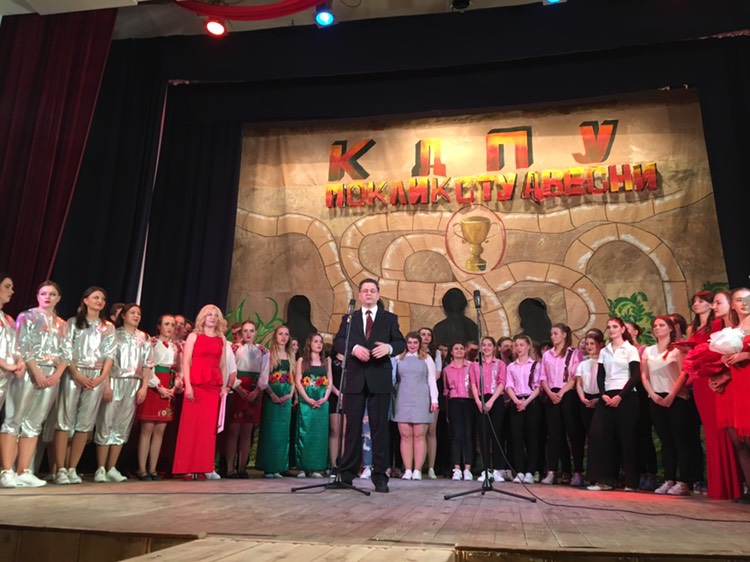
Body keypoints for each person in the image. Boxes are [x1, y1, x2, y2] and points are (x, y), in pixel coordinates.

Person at [333, 278, 405, 493]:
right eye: (364, 291)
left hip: (379, 378)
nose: (368, 294)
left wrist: (389, 349)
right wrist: (354, 348)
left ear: (378, 294)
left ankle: (380, 476)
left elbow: (400, 342)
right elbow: (338, 341)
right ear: (359, 295)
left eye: (372, 290)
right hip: (355, 378)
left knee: (379, 428)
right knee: (352, 428)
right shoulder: (350, 318)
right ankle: (346, 474)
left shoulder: (389, 318)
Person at [1, 281, 68, 488]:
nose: (48, 297)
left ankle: (24, 470)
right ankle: (6, 470)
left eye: (52, 294)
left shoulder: (62, 324)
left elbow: (67, 352)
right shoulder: (26, 316)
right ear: (38, 296)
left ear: (58, 298)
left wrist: (57, 374)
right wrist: (36, 371)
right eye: (43, 293)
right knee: (14, 419)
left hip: (51, 375)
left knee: (34, 423)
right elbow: (22, 344)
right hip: (28, 372)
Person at [53, 286, 116, 485]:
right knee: (64, 421)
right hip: (74, 373)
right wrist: (76, 374)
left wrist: (101, 377)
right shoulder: (73, 323)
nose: (100, 301)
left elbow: (110, 355)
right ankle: (60, 469)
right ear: (86, 300)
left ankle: (72, 468)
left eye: (102, 298)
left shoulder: (108, 327)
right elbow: (66, 350)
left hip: (96, 376)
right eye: (95, 297)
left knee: (84, 424)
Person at [93, 303, 151, 483]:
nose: (136, 316)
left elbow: (147, 364)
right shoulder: (113, 334)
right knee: (106, 423)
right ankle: (100, 468)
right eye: (132, 312)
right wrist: (106, 385)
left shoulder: (144, 337)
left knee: (122, 426)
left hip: (133, 384)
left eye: (138, 313)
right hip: (115, 380)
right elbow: (106, 361)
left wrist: (144, 387)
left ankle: (112, 467)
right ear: (123, 315)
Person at [641, 315, 696, 496]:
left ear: (671, 328)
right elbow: (644, 375)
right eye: (655, 325)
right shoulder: (649, 351)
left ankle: (684, 481)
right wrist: (652, 394)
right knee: (666, 441)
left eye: (662, 325)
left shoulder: (677, 349)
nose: (657, 328)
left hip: (676, 397)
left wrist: (672, 394)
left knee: (681, 440)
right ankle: (669, 479)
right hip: (656, 397)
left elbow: (684, 373)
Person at [172, 305, 227, 480]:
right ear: (203, 317)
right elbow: (186, 362)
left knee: (207, 429)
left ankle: (203, 467)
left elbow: (223, 364)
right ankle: (187, 467)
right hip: (196, 384)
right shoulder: (194, 336)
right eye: (209, 315)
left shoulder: (221, 338)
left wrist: (224, 387)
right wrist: (188, 385)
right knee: (191, 427)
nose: (212, 317)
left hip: (213, 387)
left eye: (215, 315)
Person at [587, 318, 641, 491]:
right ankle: (605, 479)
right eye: (609, 327)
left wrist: (620, 396)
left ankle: (631, 482)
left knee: (627, 438)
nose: (611, 330)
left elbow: (635, 376)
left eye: (615, 326)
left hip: (626, 395)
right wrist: (603, 394)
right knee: (599, 435)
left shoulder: (630, 349)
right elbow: (600, 376)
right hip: (607, 396)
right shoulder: (605, 351)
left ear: (623, 329)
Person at [136, 314, 181, 481]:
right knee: (147, 429)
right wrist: (158, 386)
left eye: (172, 325)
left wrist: (174, 386)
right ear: (159, 326)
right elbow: (148, 366)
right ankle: (142, 469)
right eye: (166, 324)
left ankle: (153, 469)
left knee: (160, 430)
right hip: (153, 386)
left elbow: (179, 369)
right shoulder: (152, 342)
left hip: (168, 386)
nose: (170, 328)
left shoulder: (176, 347)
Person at [392, 332, 438, 480]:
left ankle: (417, 469)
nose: (412, 345)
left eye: (415, 342)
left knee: (419, 435)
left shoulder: (427, 358)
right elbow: (393, 379)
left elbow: (432, 380)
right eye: (410, 342)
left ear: (419, 344)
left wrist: (434, 399)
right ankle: (408, 469)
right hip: (403, 397)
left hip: (421, 398)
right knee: (405, 435)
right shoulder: (398, 358)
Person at [719, 288, 750, 503]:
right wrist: (724, 364)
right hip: (734, 385)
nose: (745, 303)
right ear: (733, 304)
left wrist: (746, 354)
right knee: (739, 442)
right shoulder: (732, 330)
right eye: (740, 300)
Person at [225, 321, 266, 478]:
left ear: (256, 332)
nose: (248, 334)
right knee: (233, 430)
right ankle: (229, 468)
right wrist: (238, 388)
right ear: (241, 333)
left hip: (253, 389)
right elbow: (229, 370)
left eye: (251, 331)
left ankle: (242, 468)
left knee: (247, 431)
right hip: (238, 388)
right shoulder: (233, 349)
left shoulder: (262, 351)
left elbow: (264, 373)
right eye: (245, 331)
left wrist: (257, 390)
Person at [256, 325, 295, 478]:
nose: (283, 337)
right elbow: (263, 378)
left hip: (285, 399)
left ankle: (279, 466)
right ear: (275, 336)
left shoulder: (290, 355)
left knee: (282, 433)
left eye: (286, 334)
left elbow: (293, 377)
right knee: (270, 432)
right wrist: (272, 394)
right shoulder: (269, 354)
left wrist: (290, 394)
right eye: (280, 334)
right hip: (271, 397)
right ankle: (268, 467)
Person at [505, 334, 542, 484]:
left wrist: (526, 402)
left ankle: (530, 471)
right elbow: (509, 385)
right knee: (516, 438)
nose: (518, 348)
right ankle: (519, 470)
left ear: (528, 346)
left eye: (521, 345)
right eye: (516, 345)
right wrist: (516, 401)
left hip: (531, 402)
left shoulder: (536, 365)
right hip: (516, 402)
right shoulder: (511, 366)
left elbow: (538, 386)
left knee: (532, 438)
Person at [294, 333, 332, 478]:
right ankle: (303, 467)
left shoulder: (326, 361)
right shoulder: (302, 360)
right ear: (309, 344)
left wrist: (325, 398)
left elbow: (330, 382)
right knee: (305, 433)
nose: (319, 344)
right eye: (316, 341)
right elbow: (298, 381)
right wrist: (307, 399)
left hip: (321, 403)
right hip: (307, 404)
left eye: (321, 342)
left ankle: (317, 467)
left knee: (319, 435)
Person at [470, 336, 507, 483]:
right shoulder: (475, 365)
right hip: (480, 400)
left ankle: (497, 469)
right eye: (484, 345)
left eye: (489, 345)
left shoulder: (500, 364)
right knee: (483, 435)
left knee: (496, 435)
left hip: (495, 399)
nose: (486, 348)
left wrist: (491, 401)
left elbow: (502, 383)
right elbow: (473, 383)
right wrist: (478, 401)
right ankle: (485, 469)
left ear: (494, 347)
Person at [575, 329, 604, 484]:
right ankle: (591, 475)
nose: (589, 346)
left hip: (600, 400)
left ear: (600, 344)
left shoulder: (604, 362)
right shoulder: (583, 364)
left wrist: (599, 399)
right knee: (590, 437)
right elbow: (579, 383)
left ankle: (601, 474)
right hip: (585, 400)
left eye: (592, 343)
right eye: (587, 344)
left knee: (599, 436)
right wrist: (582, 398)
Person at [442, 341, 474, 480]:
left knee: (468, 435)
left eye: (461, 348)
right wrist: (447, 411)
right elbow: (446, 391)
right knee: (456, 436)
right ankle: (457, 469)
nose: (459, 351)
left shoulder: (471, 366)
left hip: (469, 402)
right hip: (454, 402)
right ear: (452, 352)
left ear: (465, 351)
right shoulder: (447, 369)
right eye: (456, 349)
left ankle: (467, 468)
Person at [418, 326, 442, 479]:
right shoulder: (412, 352)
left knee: (431, 431)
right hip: (415, 395)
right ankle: (417, 466)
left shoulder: (435, 353)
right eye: (423, 334)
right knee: (417, 432)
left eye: (428, 335)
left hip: (430, 393)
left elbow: (437, 374)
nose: (426, 337)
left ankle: (431, 467)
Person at [0, 275, 24, 420]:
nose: (12, 291)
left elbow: (16, 346)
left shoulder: (8, 319)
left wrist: (19, 361)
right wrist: (6, 365)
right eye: (7, 286)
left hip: (4, 377)